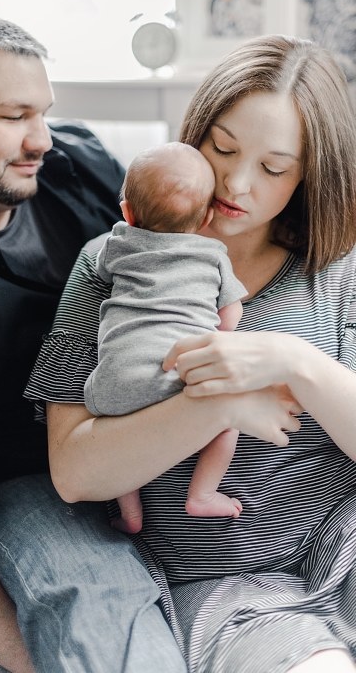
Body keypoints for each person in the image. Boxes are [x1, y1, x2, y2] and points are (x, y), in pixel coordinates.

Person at [25, 34, 356, 672]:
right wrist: (221, 405)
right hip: (231, 585)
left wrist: (295, 361)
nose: (236, 182)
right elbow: (75, 472)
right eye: (222, 148)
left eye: (274, 168)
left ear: (309, 175)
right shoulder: (109, 261)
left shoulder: (338, 272)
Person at [0, 12, 189, 673]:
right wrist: (46, 658)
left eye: (43, 111)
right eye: (14, 116)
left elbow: (172, 246)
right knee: (103, 607)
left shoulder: (75, 162)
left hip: (140, 423)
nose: (41, 138)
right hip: (27, 481)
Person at [84, 142, 246, 532]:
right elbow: (230, 315)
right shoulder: (213, 255)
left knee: (118, 441)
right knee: (227, 423)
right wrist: (217, 334)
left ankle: (130, 513)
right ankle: (202, 493)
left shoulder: (117, 242)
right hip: (178, 376)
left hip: (114, 381)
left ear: (127, 212)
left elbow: (102, 272)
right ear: (207, 216)